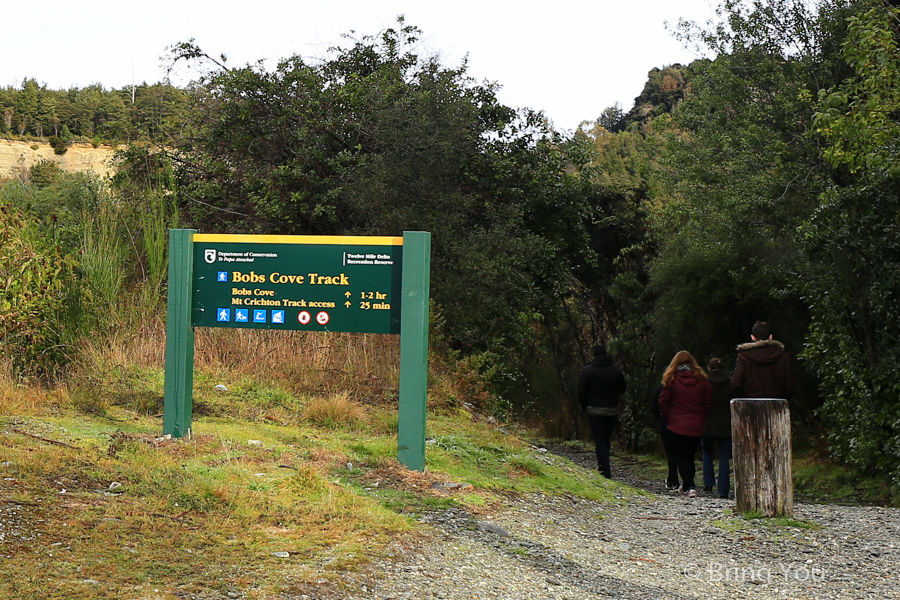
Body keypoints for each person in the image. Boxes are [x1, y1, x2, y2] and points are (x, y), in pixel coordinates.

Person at [658, 350, 713, 498]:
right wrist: (702, 415)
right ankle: (689, 484)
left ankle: (689, 486)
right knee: (690, 456)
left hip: (677, 423)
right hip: (697, 423)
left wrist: (667, 415)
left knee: (681, 456)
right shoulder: (702, 379)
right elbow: (708, 401)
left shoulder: (671, 379)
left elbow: (663, 400)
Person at [577, 344, 627, 479]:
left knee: (600, 440)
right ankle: (605, 468)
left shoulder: (588, 370)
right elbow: (623, 387)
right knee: (606, 438)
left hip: (594, 410)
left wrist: (584, 406)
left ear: (594, 355)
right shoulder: (615, 369)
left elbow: (581, 391)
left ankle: (604, 471)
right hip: (611, 410)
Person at [732, 321, 794, 399]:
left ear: (753, 337)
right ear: (771, 337)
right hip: (777, 403)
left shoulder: (744, 356)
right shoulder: (783, 355)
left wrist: (744, 397)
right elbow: (790, 386)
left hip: (751, 403)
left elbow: (736, 383)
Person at [701, 358, 733, 499]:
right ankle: (723, 490)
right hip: (726, 423)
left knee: (707, 452)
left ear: (709, 368)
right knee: (724, 457)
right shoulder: (731, 383)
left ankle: (708, 483)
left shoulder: (704, 382)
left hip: (707, 422)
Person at [650, 381, 680, 491]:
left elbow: (654, 407)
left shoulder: (661, 387)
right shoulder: (681, 387)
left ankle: (674, 480)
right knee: (678, 452)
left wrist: (661, 417)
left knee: (670, 453)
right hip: (680, 422)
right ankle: (673, 479)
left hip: (665, 423)